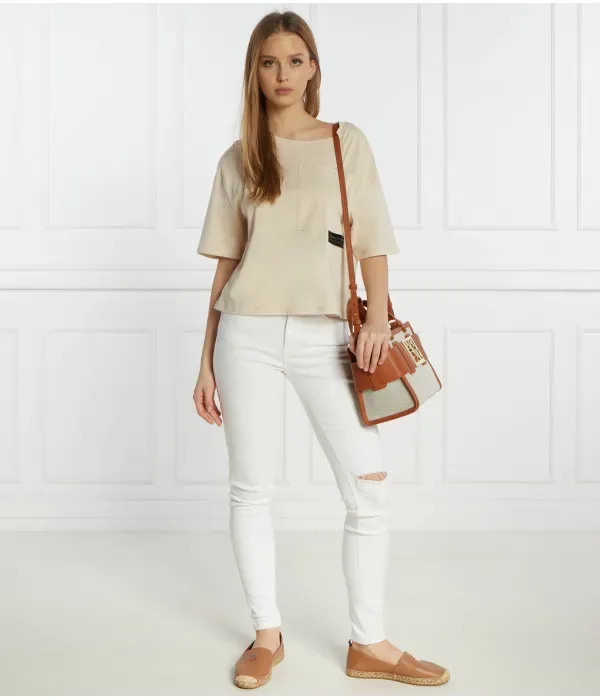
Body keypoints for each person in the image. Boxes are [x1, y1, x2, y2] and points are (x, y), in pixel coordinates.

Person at [193, 9, 450, 690]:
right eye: (269, 62)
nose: (282, 74)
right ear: (254, 71)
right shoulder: (238, 158)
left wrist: (376, 319)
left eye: (295, 60)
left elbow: (373, 238)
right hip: (246, 334)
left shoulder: (345, 142)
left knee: (368, 489)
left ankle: (370, 642)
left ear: (313, 69)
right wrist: (205, 360)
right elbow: (226, 265)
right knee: (251, 488)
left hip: (327, 336)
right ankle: (266, 635)